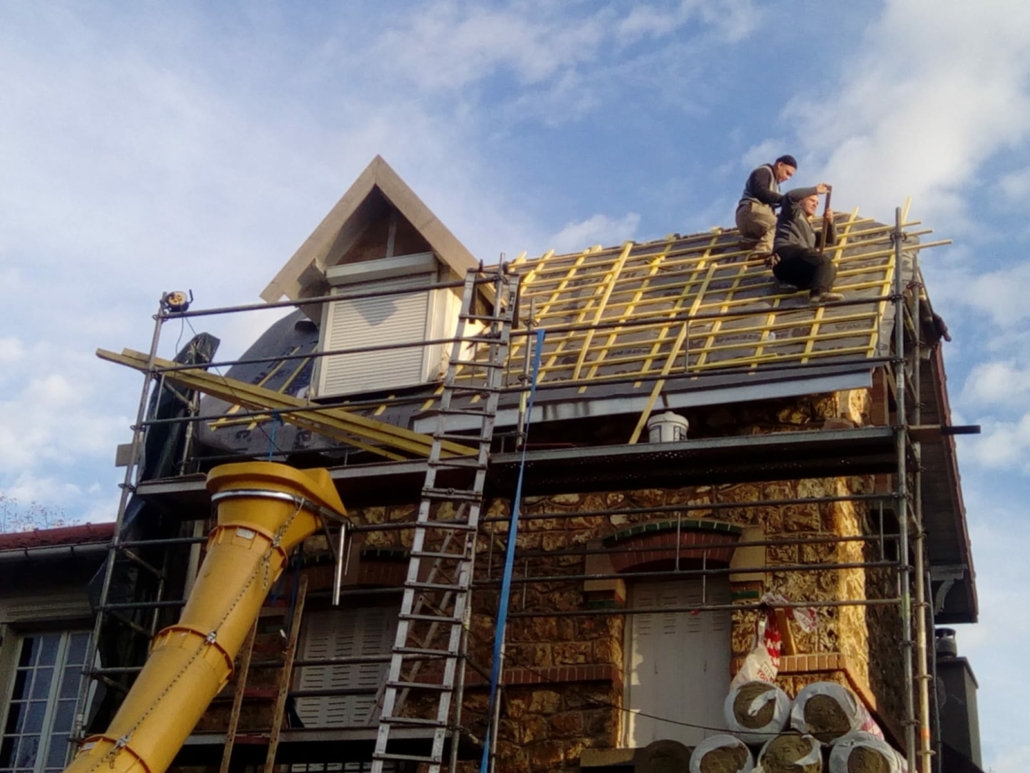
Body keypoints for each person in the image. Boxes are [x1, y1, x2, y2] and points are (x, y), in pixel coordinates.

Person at [770, 183, 843, 303]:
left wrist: (830, 222)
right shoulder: (792, 213)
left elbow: (830, 241)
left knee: (828, 270)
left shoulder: (810, 231)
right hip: (786, 255)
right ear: (800, 202)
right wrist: (815, 190)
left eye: (817, 203)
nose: (815, 204)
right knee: (823, 262)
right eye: (811, 200)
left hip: (795, 268)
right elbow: (789, 197)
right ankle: (818, 293)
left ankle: (786, 283)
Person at [735, 155, 798, 256]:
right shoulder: (764, 171)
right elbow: (761, 192)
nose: (787, 178)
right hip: (751, 211)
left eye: (790, 176)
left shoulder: (775, 186)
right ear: (780, 165)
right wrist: (785, 200)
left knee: (776, 235)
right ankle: (761, 251)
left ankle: (750, 243)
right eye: (787, 173)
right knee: (780, 226)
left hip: (750, 219)